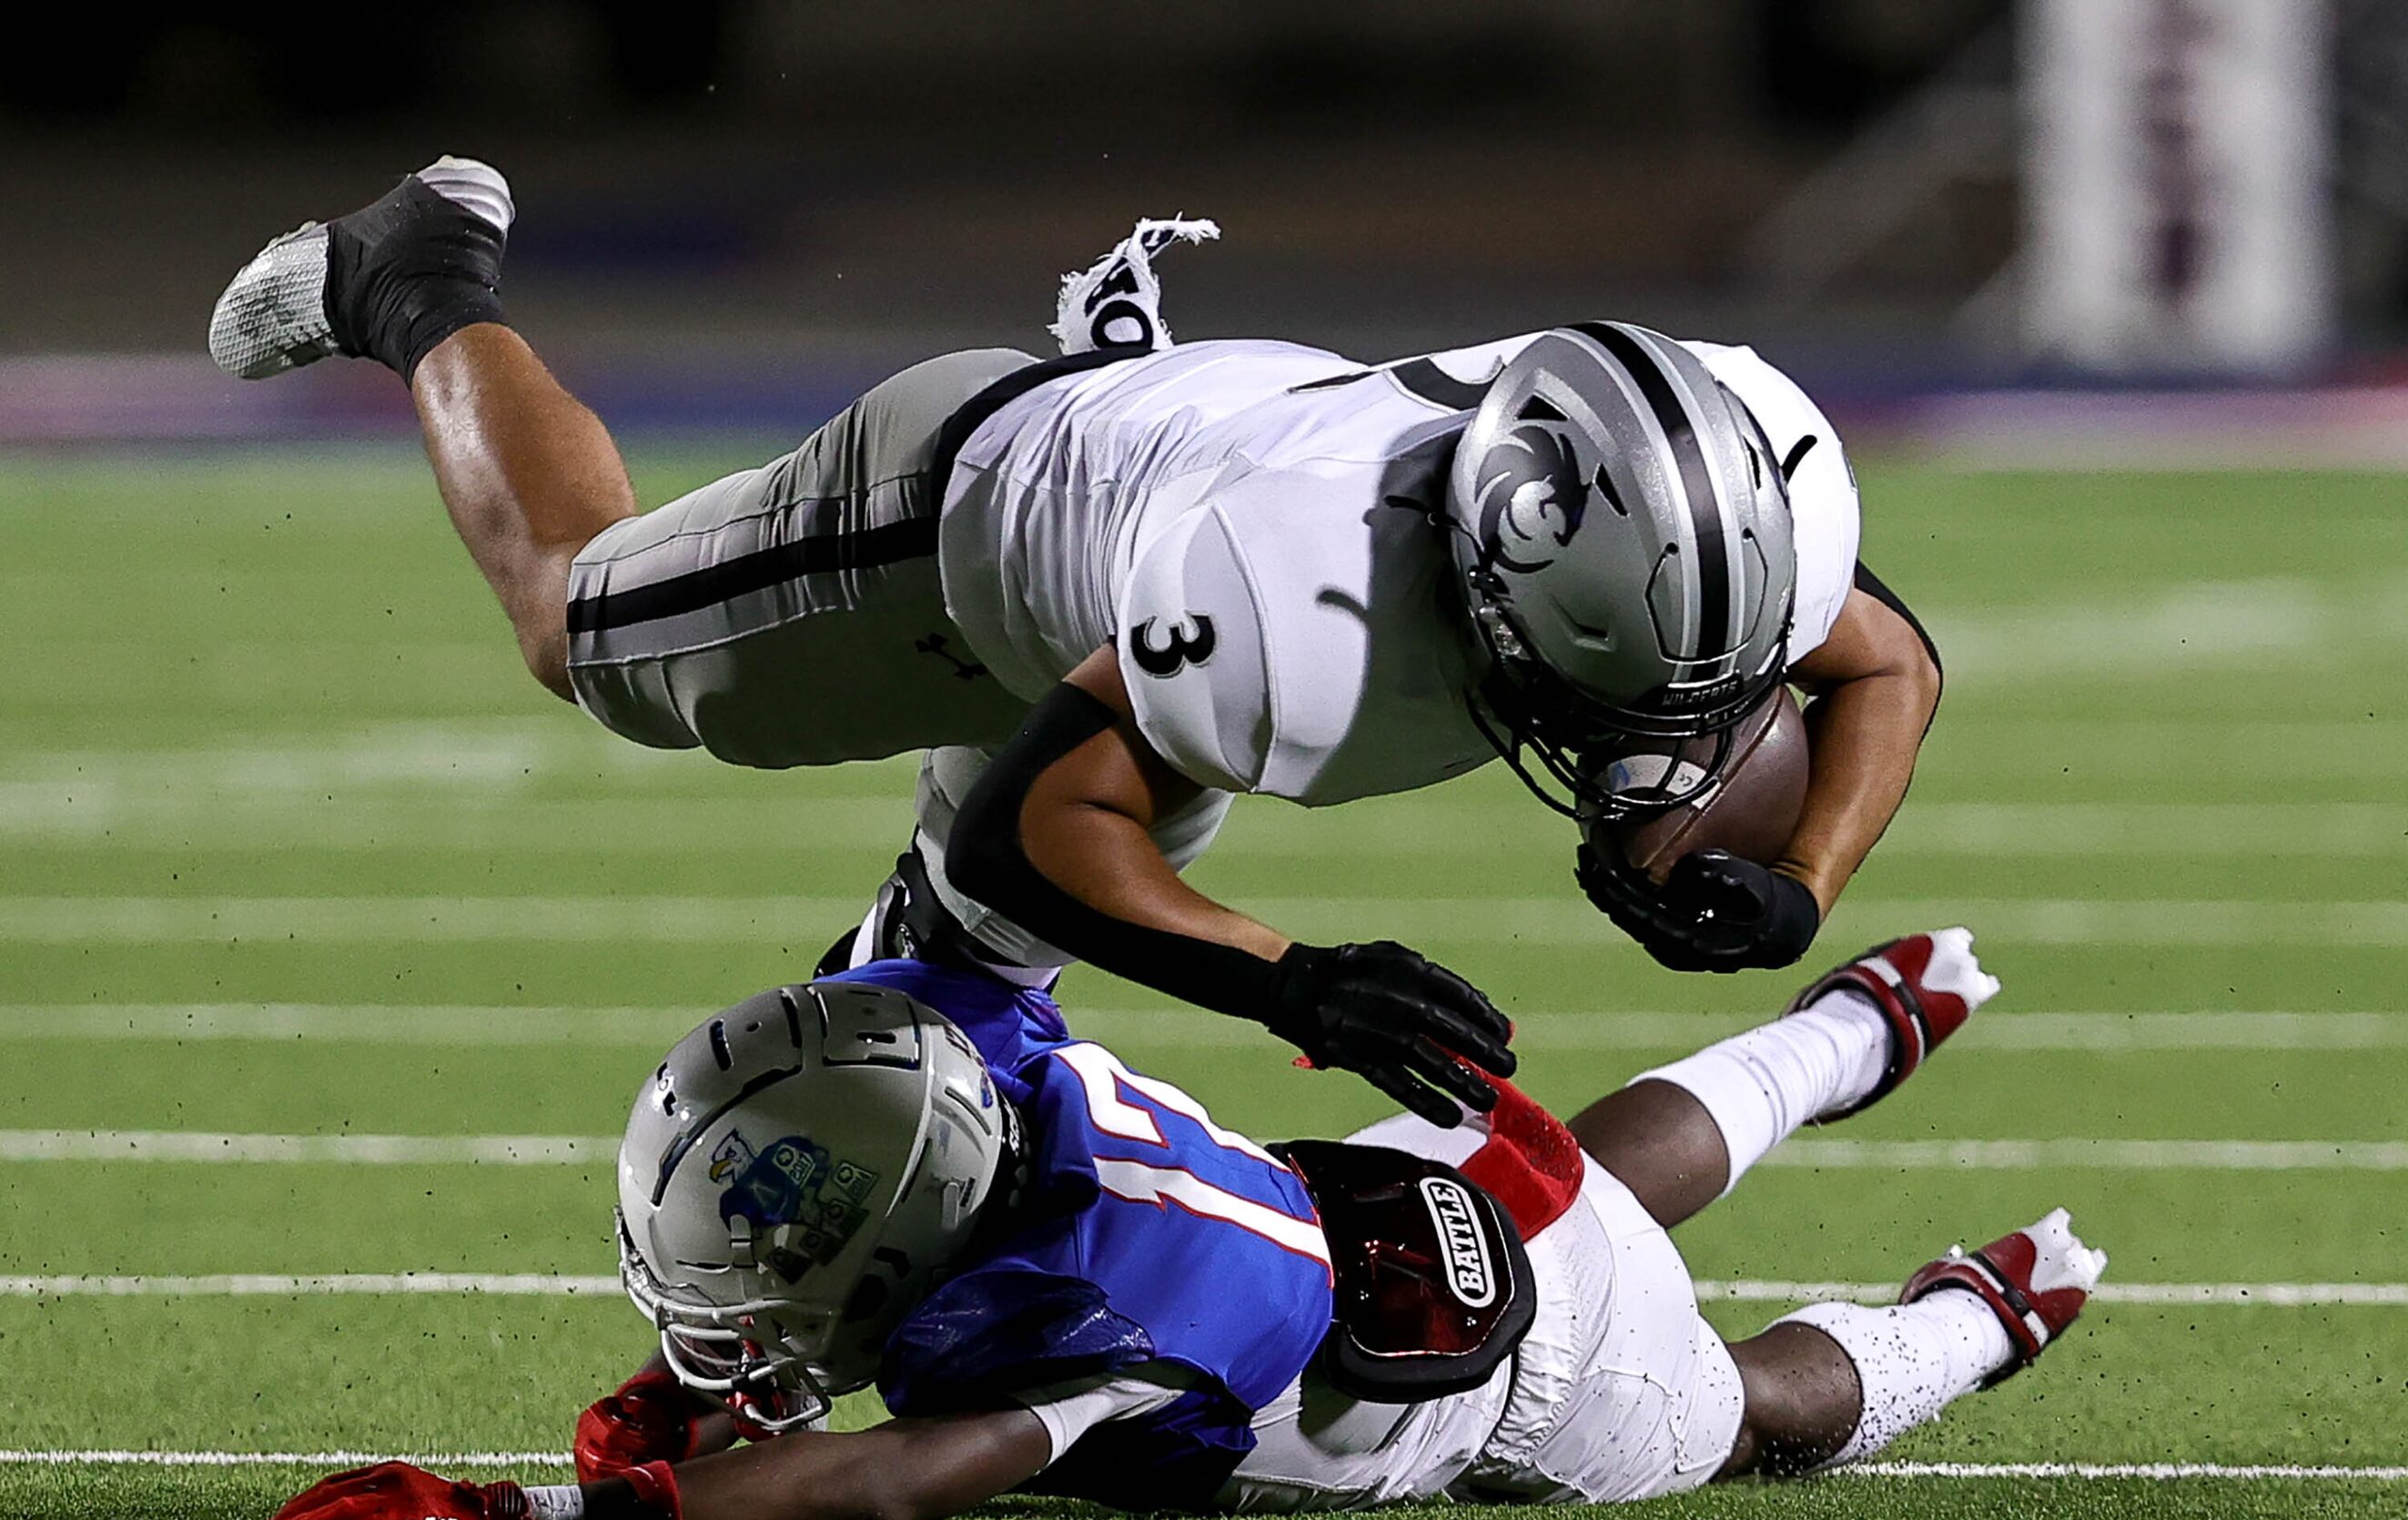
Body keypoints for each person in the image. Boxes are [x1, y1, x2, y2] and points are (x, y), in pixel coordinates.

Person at [209, 160, 1943, 1130]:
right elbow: (1034, 825)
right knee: (573, 622)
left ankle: (775, 1277)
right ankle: (412, 279)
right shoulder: (1305, 609)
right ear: (1498, 578)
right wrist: (1294, 984)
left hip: (1156, 549)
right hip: (950, 524)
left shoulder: (1722, 494)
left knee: (961, 997)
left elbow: (1887, 661)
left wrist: (1799, 881)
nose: (1645, 751)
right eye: (1611, 694)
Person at [260, 927, 2103, 1520]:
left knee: (1747, 1407)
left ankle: (1978, 1317)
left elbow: (906, 1475)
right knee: (1588, 1182)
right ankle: (1866, 1020)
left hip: (1508, 1386)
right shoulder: (979, 1057)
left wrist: (562, 1512)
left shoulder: (1089, 1323)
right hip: (1430, 1185)